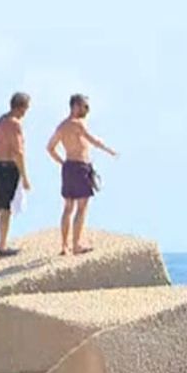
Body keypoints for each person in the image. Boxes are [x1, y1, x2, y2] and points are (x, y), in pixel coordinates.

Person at [46, 93, 118, 255]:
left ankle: (65, 246)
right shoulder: (78, 124)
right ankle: (76, 244)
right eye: (84, 106)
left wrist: (62, 162)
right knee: (81, 207)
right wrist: (110, 151)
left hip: (69, 167)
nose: (87, 110)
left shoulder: (62, 126)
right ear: (75, 106)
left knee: (68, 207)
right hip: (80, 167)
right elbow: (93, 141)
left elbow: (50, 147)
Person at [0, 92, 32, 259]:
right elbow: (18, 152)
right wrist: (24, 176)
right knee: (6, 209)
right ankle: (2, 247)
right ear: (21, 107)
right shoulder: (14, 124)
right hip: (8, 168)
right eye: (26, 108)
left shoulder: (1, 120)